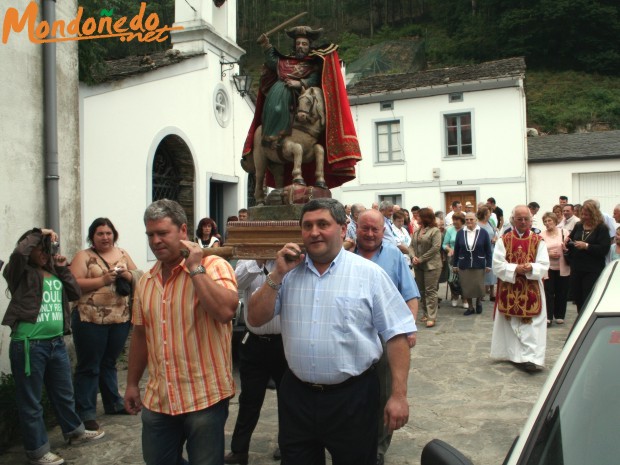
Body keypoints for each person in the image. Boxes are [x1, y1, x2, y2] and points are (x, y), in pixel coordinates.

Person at [247, 198, 416, 465]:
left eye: (322, 224)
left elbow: (397, 335)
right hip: (297, 397)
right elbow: (255, 318)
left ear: (342, 228)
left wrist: (398, 395)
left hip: (353, 399)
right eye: (307, 226)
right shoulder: (287, 274)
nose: (314, 232)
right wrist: (276, 275)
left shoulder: (369, 274)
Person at [124, 199, 239, 465]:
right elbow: (141, 335)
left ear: (183, 231)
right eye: (150, 235)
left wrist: (195, 269)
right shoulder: (146, 281)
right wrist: (132, 383)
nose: (155, 241)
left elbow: (224, 312)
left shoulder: (213, 266)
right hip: (160, 398)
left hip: (205, 397)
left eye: (162, 233)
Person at [3, 228, 104, 465]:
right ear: (31, 247)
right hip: (30, 345)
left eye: (48, 248)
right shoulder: (18, 272)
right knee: (31, 401)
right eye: (42, 248)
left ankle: (75, 432)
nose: (46, 253)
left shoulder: (52, 272)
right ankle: (37, 451)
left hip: (56, 343)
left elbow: (74, 292)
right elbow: (19, 253)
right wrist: (39, 233)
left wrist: (61, 269)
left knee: (64, 394)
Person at [242, 25, 361, 189]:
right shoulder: (285, 61)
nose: (301, 47)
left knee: (314, 107)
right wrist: (266, 45)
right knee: (276, 108)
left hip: (301, 94)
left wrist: (299, 83)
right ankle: (272, 139)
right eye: (298, 44)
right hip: (282, 96)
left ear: (309, 46)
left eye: (304, 44)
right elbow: (272, 61)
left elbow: (314, 79)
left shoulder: (313, 63)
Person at [354, 209, 419, 465]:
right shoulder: (344, 254)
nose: (370, 234)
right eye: (365, 228)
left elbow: (410, 295)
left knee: (385, 394)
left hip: (386, 338)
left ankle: (378, 449)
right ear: (355, 228)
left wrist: (409, 328)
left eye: (375, 229)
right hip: (356, 336)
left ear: (384, 231)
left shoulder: (394, 255)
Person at [69, 218, 139, 430]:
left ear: (114, 235)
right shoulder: (84, 256)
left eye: (108, 233)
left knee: (109, 362)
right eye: (100, 233)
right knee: (89, 365)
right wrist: (101, 281)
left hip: (119, 318)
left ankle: (113, 402)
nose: (105, 237)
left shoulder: (123, 253)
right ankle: (86, 410)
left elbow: (139, 276)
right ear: (93, 236)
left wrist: (126, 274)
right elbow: (73, 283)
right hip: (89, 319)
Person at [224, 260, 287, 465]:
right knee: (249, 400)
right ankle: (239, 450)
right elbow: (235, 283)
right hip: (254, 342)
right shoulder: (249, 259)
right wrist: (258, 260)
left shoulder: (290, 260)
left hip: (284, 343)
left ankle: (287, 445)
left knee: (289, 399)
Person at [490, 205, 550, 373]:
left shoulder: (539, 241)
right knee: (512, 324)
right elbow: (497, 264)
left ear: (531, 220)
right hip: (509, 288)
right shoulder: (504, 240)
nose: (523, 222)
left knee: (532, 326)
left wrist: (530, 267)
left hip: (531, 289)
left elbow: (544, 265)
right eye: (519, 219)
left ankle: (531, 358)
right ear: (513, 220)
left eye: (526, 219)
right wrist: (515, 269)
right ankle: (515, 355)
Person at [567, 199, 610, 313]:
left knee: (588, 296)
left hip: (592, 269)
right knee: (578, 296)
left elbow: (604, 249)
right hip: (577, 268)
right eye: (582, 214)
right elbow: (571, 239)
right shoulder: (579, 226)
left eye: (587, 214)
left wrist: (587, 246)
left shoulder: (601, 228)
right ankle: (580, 317)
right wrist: (567, 243)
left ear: (593, 214)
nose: (584, 217)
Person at [452, 212, 492, 315]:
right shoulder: (460, 233)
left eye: (471, 219)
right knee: (466, 287)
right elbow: (456, 249)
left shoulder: (483, 232)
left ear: (476, 220)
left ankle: (478, 302)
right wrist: (455, 264)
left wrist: (488, 264)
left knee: (478, 286)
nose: (469, 221)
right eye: (467, 219)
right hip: (464, 264)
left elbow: (488, 250)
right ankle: (470, 307)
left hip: (479, 263)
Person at [411, 208, 443, 328]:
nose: (416, 218)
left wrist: (422, 258)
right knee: (422, 291)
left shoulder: (435, 231)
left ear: (425, 217)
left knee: (430, 290)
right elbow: (411, 246)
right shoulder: (417, 231)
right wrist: (413, 256)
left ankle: (431, 316)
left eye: (418, 216)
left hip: (432, 265)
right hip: (418, 265)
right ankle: (425, 313)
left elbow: (435, 248)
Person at [539, 212, 570, 326]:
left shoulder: (564, 232)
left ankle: (560, 315)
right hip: (548, 267)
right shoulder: (542, 235)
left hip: (563, 266)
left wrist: (565, 249)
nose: (547, 223)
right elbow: (539, 251)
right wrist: (548, 254)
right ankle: (548, 316)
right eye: (545, 221)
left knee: (562, 291)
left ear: (555, 221)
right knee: (548, 291)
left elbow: (569, 247)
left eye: (549, 220)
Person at [442, 212, 466, 308]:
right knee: (452, 279)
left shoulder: (466, 230)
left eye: (457, 220)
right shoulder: (450, 230)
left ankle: (465, 298)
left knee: (464, 279)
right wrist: (449, 249)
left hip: (464, 257)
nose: (455, 222)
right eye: (454, 220)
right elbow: (444, 244)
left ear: (462, 221)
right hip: (452, 257)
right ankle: (455, 296)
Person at [476, 206, 498, 301]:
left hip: (492, 250)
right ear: (485, 214)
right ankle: (481, 293)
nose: (490, 214)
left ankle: (492, 293)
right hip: (481, 251)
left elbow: (495, 233)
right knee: (482, 272)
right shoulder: (477, 225)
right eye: (489, 212)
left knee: (492, 271)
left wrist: (495, 239)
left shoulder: (490, 222)